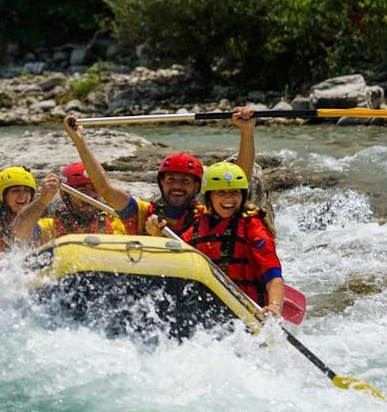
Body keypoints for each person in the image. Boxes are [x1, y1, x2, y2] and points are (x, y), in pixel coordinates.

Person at [62, 110, 255, 236]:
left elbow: (239, 182)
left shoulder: (208, 214)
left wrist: (246, 132)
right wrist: (79, 140)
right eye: (171, 180)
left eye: (185, 181)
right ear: (161, 183)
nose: (177, 186)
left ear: (198, 186)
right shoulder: (141, 213)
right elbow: (105, 188)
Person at [174, 162, 284, 316]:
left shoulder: (252, 226)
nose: (229, 199)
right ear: (209, 197)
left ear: (242, 195)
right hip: (203, 310)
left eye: (234, 193)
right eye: (221, 193)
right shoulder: (195, 225)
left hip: (246, 311)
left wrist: (275, 306)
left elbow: (273, 276)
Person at [13, 162, 126, 245]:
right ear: (65, 195)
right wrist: (43, 200)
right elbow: (19, 231)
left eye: (94, 189)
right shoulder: (50, 227)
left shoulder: (117, 222)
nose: (90, 196)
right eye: (81, 190)